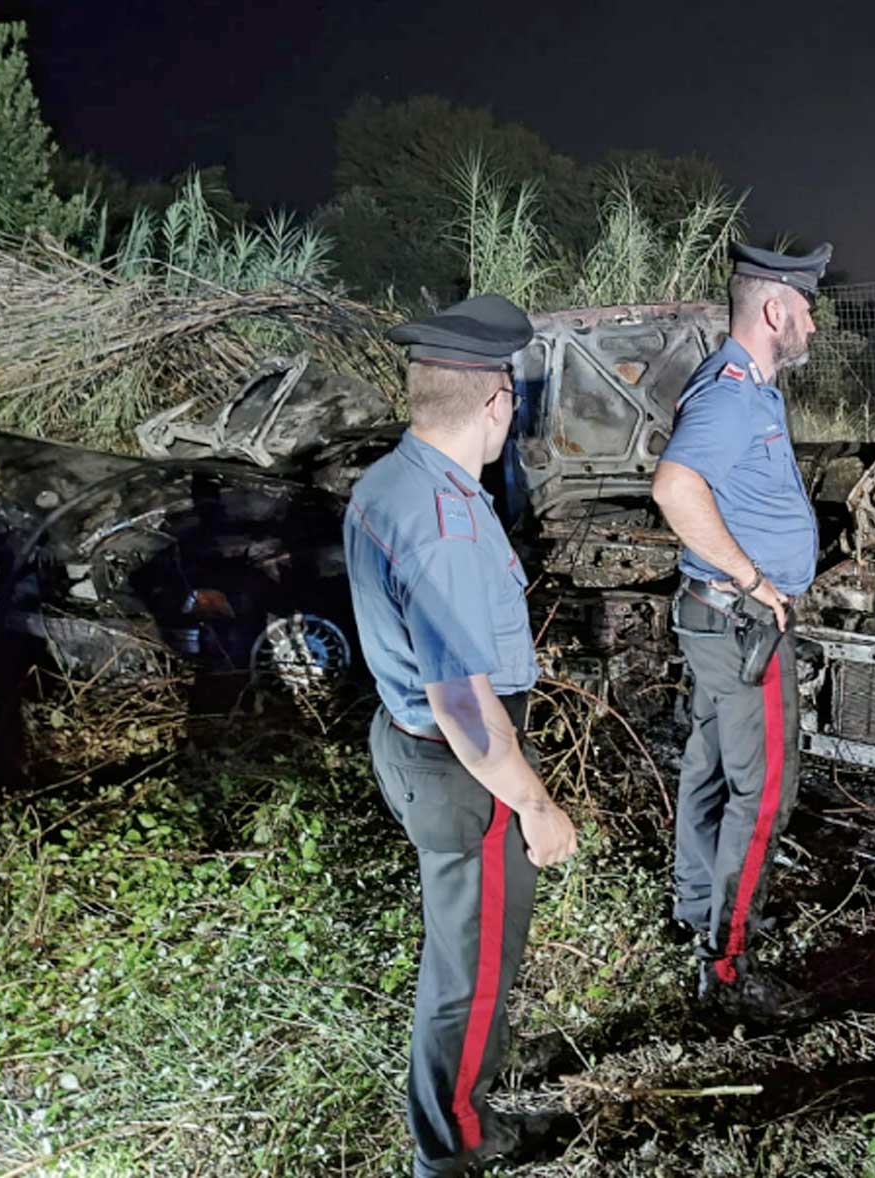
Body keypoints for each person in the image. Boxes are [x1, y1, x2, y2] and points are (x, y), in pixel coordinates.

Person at [343, 294, 578, 1177]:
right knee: (470, 970)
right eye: (514, 397)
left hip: (414, 743)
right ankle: (454, 1145)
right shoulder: (442, 524)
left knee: (469, 954)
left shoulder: (395, 480)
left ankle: (474, 1077)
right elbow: (468, 712)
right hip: (461, 768)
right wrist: (537, 807)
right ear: (494, 401)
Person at [650, 240, 832, 1016]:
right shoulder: (730, 393)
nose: (814, 326)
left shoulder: (753, 387)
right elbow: (675, 487)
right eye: (807, 310)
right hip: (743, 623)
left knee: (711, 770)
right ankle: (726, 967)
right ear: (773, 309)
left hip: (720, 620)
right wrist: (757, 581)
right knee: (763, 794)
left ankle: (699, 910)